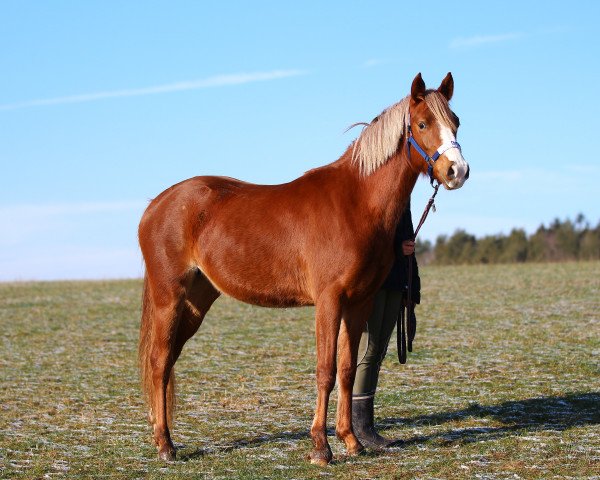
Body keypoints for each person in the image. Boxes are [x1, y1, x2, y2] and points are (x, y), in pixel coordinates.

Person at [352, 200, 420, 448]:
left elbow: (408, 242)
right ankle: (359, 427)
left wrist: (412, 288)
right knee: (367, 351)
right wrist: (396, 248)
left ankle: (365, 424)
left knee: (378, 351)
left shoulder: (404, 201)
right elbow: (365, 236)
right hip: (374, 281)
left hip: (396, 281)